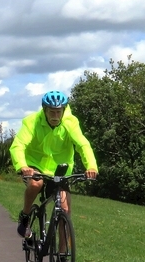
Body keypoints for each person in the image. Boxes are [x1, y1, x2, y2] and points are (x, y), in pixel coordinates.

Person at [9, 90, 98, 240]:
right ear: (45, 110)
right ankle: (25, 216)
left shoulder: (71, 122)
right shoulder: (32, 122)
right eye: (52, 112)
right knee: (36, 184)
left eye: (58, 112)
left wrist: (91, 167)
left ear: (64, 110)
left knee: (64, 209)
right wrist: (22, 166)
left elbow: (83, 145)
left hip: (60, 169)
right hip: (34, 164)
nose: (55, 116)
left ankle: (62, 256)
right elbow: (18, 146)